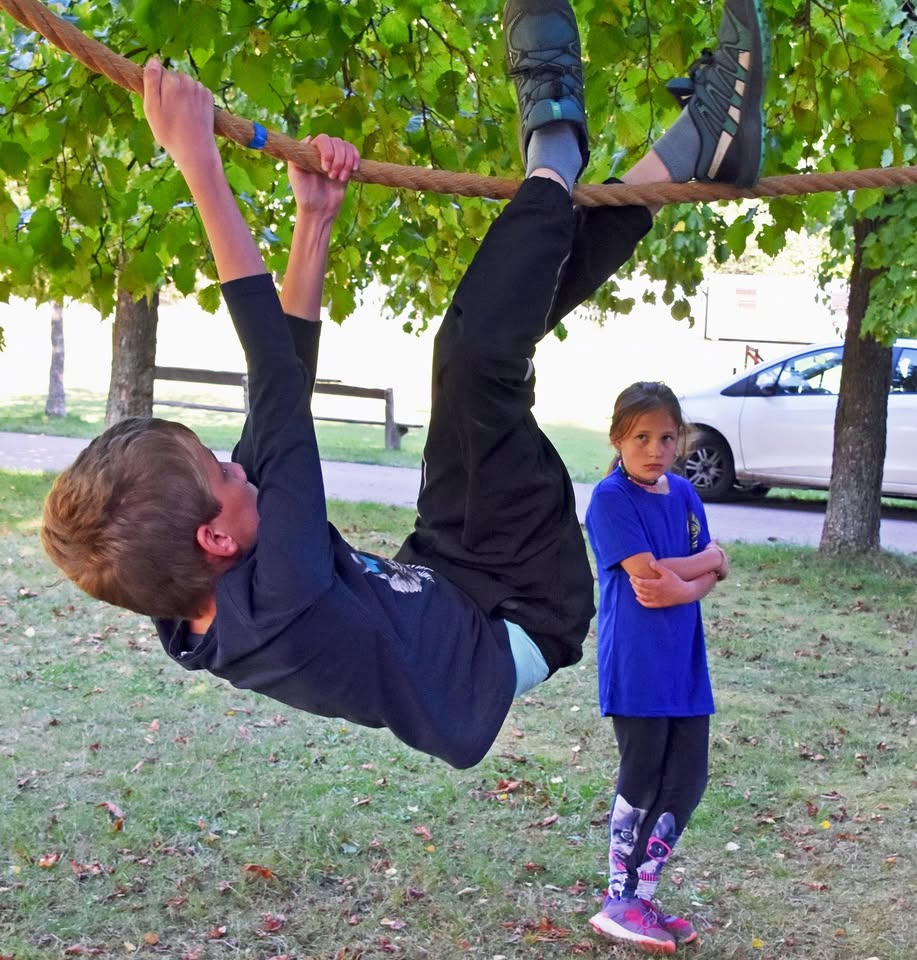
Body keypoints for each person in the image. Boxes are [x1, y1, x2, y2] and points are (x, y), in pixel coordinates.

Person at [39, 0, 766, 772]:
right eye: (221, 472)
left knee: (480, 354)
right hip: (522, 606)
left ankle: (693, 148)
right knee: (474, 364)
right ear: (215, 538)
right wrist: (198, 164)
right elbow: (275, 380)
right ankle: (556, 143)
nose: (237, 465)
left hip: (448, 571)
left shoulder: (194, 579)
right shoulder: (283, 597)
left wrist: (314, 221)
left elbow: (279, 392)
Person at [583, 381, 728, 953]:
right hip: (638, 661)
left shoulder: (686, 494)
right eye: (641, 437)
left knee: (686, 779)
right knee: (643, 778)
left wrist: (691, 579)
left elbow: (696, 577)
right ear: (618, 437)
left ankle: (642, 897)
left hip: (684, 660)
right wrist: (710, 562)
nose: (655, 449)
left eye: (667, 438)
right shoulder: (611, 498)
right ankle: (617, 900)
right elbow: (649, 578)